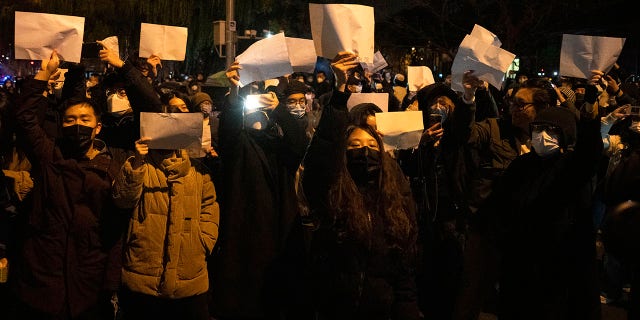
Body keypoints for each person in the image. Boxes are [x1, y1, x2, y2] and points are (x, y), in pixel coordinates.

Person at [302, 51, 420, 320]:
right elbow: (322, 158)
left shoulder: (394, 195)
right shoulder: (333, 190)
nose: (364, 152)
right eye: (354, 146)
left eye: (370, 146)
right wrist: (340, 92)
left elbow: (405, 263)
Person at [11, 50, 124, 319]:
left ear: (98, 128)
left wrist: (110, 284)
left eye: (85, 120)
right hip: (43, 279)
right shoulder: (50, 157)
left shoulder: (111, 168)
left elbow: (114, 230)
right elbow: (25, 119)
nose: (77, 125)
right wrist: (44, 74)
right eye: (70, 120)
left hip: (88, 283)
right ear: (62, 126)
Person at [477, 101, 602, 319]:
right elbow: (501, 205)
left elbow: (589, 153)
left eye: (551, 130)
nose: (542, 135)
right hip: (520, 263)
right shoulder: (522, 165)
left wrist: (590, 117)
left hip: (558, 266)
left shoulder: (570, 166)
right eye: (538, 129)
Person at [209, 60, 311, 320]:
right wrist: (233, 94)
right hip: (244, 234)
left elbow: (298, 144)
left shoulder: (279, 145)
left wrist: (279, 110)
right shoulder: (237, 143)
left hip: (279, 233)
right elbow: (229, 130)